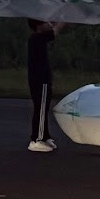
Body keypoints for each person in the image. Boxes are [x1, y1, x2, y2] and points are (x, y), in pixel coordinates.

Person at [25, 20, 62, 152]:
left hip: (40, 79)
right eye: (46, 23)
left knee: (42, 109)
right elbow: (56, 29)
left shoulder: (36, 38)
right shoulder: (37, 38)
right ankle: (37, 139)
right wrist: (67, 15)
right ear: (39, 26)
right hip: (40, 80)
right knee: (40, 109)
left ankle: (45, 136)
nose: (49, 24)